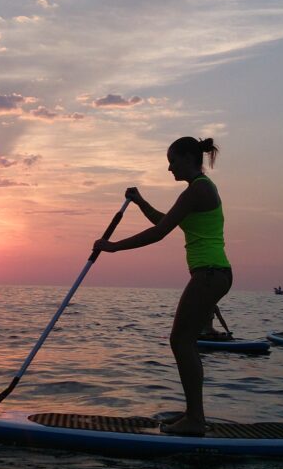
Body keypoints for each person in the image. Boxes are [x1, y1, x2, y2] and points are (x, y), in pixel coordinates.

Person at [94, 136, 231, 436]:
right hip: (211, 274)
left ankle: (195, 419)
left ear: (186, 158)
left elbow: (159, 232)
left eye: (172, 160)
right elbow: (165, 221)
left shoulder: (198, 190)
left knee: (181, 341)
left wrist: (114, 246)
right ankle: (193, 415)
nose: (169, 168)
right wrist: (141, 202)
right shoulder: (197, 190)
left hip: (210, 273)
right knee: (184, 341)